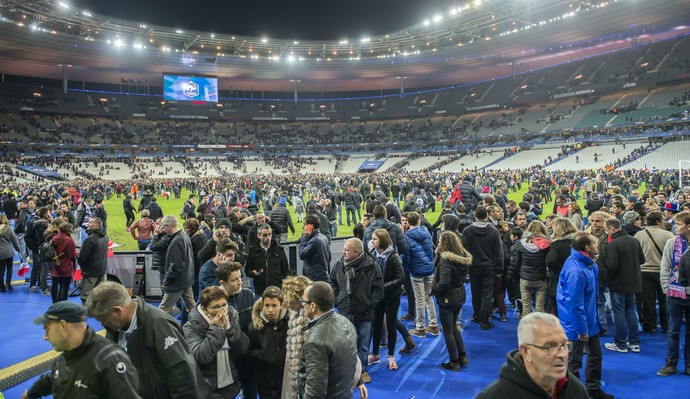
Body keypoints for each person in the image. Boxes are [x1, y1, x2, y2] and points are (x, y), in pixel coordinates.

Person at [86, 281, 207, 398]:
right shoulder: (115, 329)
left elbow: (183, 376)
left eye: (104, 319)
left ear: (118, 310)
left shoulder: (159, 325)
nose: (102, 324)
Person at [21, 300, 143, 399]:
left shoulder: (111, 361)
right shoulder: (68, 355)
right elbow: (56, 377)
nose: (45, 337)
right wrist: (31, 393)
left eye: (47, 330)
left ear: (63, 325)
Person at [476, 312, 589, 399]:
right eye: (550, 346)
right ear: (525, 351)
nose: (562, 354)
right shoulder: (496, 395)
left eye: (564, 345)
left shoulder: (574, 388)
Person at [557, 232, 613, 399]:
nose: (598, 247)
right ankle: (572, 394)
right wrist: (582, 330)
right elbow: (575, 304)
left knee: (596, 356)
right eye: (595, 245)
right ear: (587, 248)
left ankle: (593, 389)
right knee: (574, 362)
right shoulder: (577, 270)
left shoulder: (589, 265)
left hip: (590, 320)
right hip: (576, 325)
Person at [298, 281, 367, 399]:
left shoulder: (315, 341)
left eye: (303, 302)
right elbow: (352, 358)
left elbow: (315, 393)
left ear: (313, 306)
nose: (302, 305)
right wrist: (359, 380)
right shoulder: (346, 323)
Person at [330, 238, 384, 384]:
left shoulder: (372, 267)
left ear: (357, 252)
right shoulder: (339, 265)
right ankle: (346, 370)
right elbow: (332, 282)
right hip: (345, 312)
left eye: (347, 250)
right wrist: (337, 300)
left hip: (364, 314)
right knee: (344, 343)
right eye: (344, 249)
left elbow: (379, 290)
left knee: (363, 344)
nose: (344, 252)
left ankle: (363, 371)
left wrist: (369, 303)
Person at [183, 286, 249, 399]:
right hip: (207, 389)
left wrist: (229, 327)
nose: (221, 311)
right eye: (215, 307)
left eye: (224, 305)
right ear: (204, 309)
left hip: (231, 386)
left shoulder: (231, 317)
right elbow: (201, 356)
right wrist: (217, 329)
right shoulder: (190, 327)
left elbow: (243, 347)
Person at [369, 229, 415, 370]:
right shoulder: (373, 254)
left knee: (390, 325)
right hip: (378, 297)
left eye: (375, 239)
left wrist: (383, 287)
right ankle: (375, 354)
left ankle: (391, 356)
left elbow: (401, 277)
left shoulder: (393, 256)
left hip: (391, 296)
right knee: (376, 325)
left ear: (382, 240)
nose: (372, 241)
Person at [599, 218, 645, 353]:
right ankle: (634, 342)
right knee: (630, 311)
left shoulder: (613, 244)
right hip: (634, 281)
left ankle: (620, 343)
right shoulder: (634, 240)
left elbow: (611, 266)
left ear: (612, 228)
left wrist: (601, 261)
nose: (607, 233)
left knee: (619, 312)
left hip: (618, 283)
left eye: (607, 230)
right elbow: (642, 259)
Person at [431, 231, 472, 372]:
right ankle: (462, 356)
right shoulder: (461, 256)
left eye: (440, 241)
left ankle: (454, 362)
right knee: (453, 327)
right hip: (460, 294)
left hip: (448, 297)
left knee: (448, 330)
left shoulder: (445, 259)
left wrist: (433, 290)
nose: (438, 243)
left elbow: (444, 283)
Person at [657, 211, 690, 376]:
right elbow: (665, 266)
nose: (676, 227)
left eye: (679, 224)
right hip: (675, 293)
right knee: (673, 330)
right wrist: (665, 288)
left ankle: (689, 365)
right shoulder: (672, 242)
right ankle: (671, 363)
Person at [463, 206, 504, 330]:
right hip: (489, 267)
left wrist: (466, 268)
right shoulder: (493, 231)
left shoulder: (467, 231)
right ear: (486, 216)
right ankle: (484, 320)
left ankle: (477, 315)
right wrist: (499, 269)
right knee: (487, 294)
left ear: (475, 216)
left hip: (474, 266)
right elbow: (499, 252)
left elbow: (464, 251)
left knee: (476, 292)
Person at [633, 211, 674, 334]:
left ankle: (650, 326)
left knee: (647, 300)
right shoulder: (669, 235)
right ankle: (666, 324)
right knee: (665, 299)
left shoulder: (639, 235)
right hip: (664, 271)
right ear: (657, 221)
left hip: (645, 271)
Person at [248, 286, 289, 399]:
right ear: (262, 305)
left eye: (274, 305)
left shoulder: (290, 324)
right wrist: (264, 357)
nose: (270, 310)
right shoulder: (255, 327)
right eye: (267, 305)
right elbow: (251, 351)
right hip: (265, 381)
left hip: (286, 380)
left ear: (281, 305)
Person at [403, 211, 438, 338]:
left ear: (408, 222)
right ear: (419, 221)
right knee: (429, 297)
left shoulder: (407, 237)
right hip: (429, 268)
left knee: (419, 299)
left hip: (416, 271)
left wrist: (406, 268)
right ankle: (433, 325)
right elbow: (431, 251)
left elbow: (406, 257)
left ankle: (420, 327)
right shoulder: (427, 233)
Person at [510, 221, 551, 316]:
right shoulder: (547, 245)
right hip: (540, 278)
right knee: (540, 306)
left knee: (526, 305)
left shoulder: (521, 244)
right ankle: (538, 328)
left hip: (525, 278)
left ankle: (527, 327)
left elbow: (517, 262)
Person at [280, 275, 312, 399]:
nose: (285, 299)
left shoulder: (309, 318)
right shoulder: (294, 313)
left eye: (288, 295)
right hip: (295, 372)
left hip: (306, 375)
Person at [545, 218, 578, 317]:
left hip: (560, 277)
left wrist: (553, 269)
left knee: (556, 303)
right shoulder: (578, 241)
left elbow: (549, 260)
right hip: (577, 276)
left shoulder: (557, 244)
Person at [246, 223, 290, 295]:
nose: (268, 237)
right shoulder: (253, 251)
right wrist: (253, 273)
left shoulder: (279, 250)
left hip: (276, 290)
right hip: (259, 291)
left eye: (270, 234)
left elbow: (286, 272)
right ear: (258, 236)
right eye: (265, 235)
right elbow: (247, 270)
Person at [77, 216, 108, 305]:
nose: (88, 224)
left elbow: (82, 257)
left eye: (91, 223)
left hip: (91, 271)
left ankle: (87, 312)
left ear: (97, 226)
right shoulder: (105, 236)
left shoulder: (89, 239)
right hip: (102, 269)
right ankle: (100, 312)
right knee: (101, 294)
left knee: (86, 295)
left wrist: (82, 266)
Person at [298, 214, 331, 282]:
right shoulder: (323, 237)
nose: (302, 227)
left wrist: (304, 237)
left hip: (314, 277)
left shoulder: (314, 241)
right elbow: (329, 257)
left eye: (304, 225)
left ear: (311, 226)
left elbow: (302, 254)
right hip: (323, 275)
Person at [49, 223, 77, 303]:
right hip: (65, 266)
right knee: (64, 287)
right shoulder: (69, 240)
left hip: (55, 265)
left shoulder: (54, 238)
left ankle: (55, 304)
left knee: (55, 285)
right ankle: (62, 305)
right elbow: (72, 255)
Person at [0, 213, 21, 292]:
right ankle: (8, 284)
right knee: (9, 268)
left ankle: (1, 286)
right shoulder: (8, 229)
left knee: (1, 270)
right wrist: (18, 250)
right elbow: (14, 241)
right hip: (8, 251)